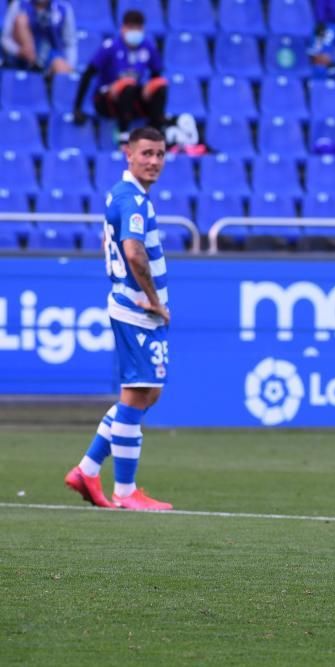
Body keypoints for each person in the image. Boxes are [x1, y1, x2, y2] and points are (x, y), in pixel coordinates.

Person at [64, 126, 173, 512]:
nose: (154, 161)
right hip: (138, 309)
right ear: (128, 154)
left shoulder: (125, 194)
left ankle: (87, 470)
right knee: (136, 394)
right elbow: (133, 252)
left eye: (160, 154)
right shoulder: (131, 200)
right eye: (146, 153)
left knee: (147, 393)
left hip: (132, 305)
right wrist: (155, 301)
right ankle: (125, 492)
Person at [72, 10, 168, 147]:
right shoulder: (110, 47)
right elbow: (88, 73)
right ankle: (124, 136)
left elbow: (156, 75)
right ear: (123, 28)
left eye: (138, 28)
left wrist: (149, 86)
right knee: (127, 86)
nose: (135, 32)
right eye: (131, 28)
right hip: (107, 99)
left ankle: (155, 134)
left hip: (133, 97)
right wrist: (77, 108)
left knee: (159, 86)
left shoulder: (148, 47)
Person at [1, 0, 75, 74]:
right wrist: (18, 51)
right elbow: (5, 38)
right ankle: (33, 64)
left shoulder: (63, 8)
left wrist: (70, 65)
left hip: (50, 58)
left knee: (61, 67)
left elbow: (70, 43)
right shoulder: (19, 4)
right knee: (21, 20)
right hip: (22, 58)